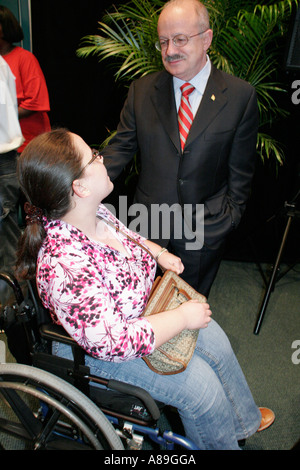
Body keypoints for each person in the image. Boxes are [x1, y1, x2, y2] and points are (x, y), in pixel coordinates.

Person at [15, 128, 274, 450]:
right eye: (93, 156)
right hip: (101, 351)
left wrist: (159, 253)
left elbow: (130, 238)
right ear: (78, 187)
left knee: (215, 340)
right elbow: (115, 343)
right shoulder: (65, 265)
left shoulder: (95, 213)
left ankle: (240, 421)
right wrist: (180, 317)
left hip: (141, 313)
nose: (102, 158)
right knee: (201, 389)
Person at [101, 0, 259, 297]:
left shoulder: (240, 97)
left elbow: (241, 173)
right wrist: (79, 181)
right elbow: (119, 150)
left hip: (204, 230)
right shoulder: (142, 91)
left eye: (180, 39)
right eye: (163, 41)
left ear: (207, 39)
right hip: (148, 226)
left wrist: (227, 220)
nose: (170, 50)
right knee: (141, 308)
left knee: (189, 311)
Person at [0, 5, 51, 153]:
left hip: (28, 146)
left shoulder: (24, 58)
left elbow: (35, 102)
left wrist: (5, 114)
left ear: (4, 28)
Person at [0, 54, 24, 304]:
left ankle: (12, 321)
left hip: (2, 160)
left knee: (6, 251)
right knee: (7, 245)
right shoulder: (2, 63)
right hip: (6, 159)